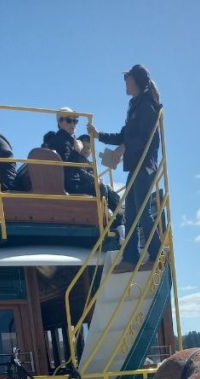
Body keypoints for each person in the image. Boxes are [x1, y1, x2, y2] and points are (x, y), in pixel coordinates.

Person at [88, 64, 162, 267]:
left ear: (135, 80)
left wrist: (123, 149)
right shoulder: (135, 105)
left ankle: (157, 254)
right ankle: (131, 257)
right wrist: (99, 135)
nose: (124, 83)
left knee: (142, 212)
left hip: (145, 166)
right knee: (131, 211)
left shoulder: (146, 105)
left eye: (126, 78)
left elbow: (145, 138)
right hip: (136, 166)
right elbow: (125, 135)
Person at [50, 108, 120, 217]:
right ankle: (113, 222)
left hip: (71, 183)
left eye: (75, 121)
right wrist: (76, 151)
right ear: (60, 122)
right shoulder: (62, 141)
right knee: (100, 187)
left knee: (108, 191)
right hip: (71, 186)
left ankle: (120, 220)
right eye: (69, 120)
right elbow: (69, 169)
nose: (73, 124)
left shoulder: (66, 140)